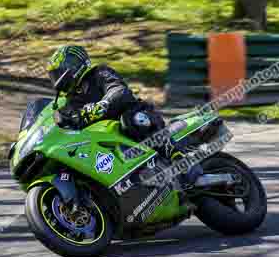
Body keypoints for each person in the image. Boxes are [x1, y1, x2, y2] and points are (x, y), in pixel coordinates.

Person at [45, 44, 200, 188]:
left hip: (136, 114)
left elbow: (119, 90)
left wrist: (103, 104)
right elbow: (63, 121)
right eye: (53, 76)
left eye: (57, 74)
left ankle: (180, 158)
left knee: (131, 120)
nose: (56, 80)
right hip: (109, 136)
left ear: (72, 66)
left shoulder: (99, 73)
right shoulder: (71, 101)